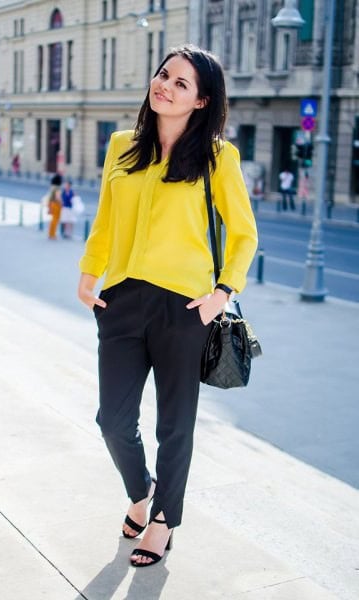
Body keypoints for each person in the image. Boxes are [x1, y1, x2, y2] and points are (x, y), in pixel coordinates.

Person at [78, 45, 258, 568]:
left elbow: (244, 233)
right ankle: (142, 489)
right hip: (122, 299)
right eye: (164, 75)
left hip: (186, 308)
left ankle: (162, 520)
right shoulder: (121, 146)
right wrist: (89, 277)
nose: (166, 86)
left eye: (182, 84)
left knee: (174, 425)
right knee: (112, 420)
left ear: (202, 101)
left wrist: (221, 294)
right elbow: (106, 220)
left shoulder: (219, 157)